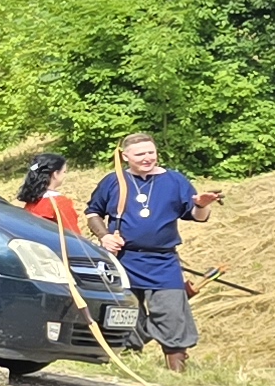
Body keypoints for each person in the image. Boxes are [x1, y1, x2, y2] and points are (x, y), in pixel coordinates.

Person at [86, 134, 219, 369]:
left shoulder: (175, 181)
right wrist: (104, 236)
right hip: (124, 259)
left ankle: (176, 367)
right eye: (140, 154)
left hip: (162, 260)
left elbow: (199, 217)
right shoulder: (113, 181)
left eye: (151, 152)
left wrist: (201, 205)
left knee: (171, 311)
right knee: (125, 312)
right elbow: (93, 213)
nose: (147, 158)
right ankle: (125, 361)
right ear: (125, 157)